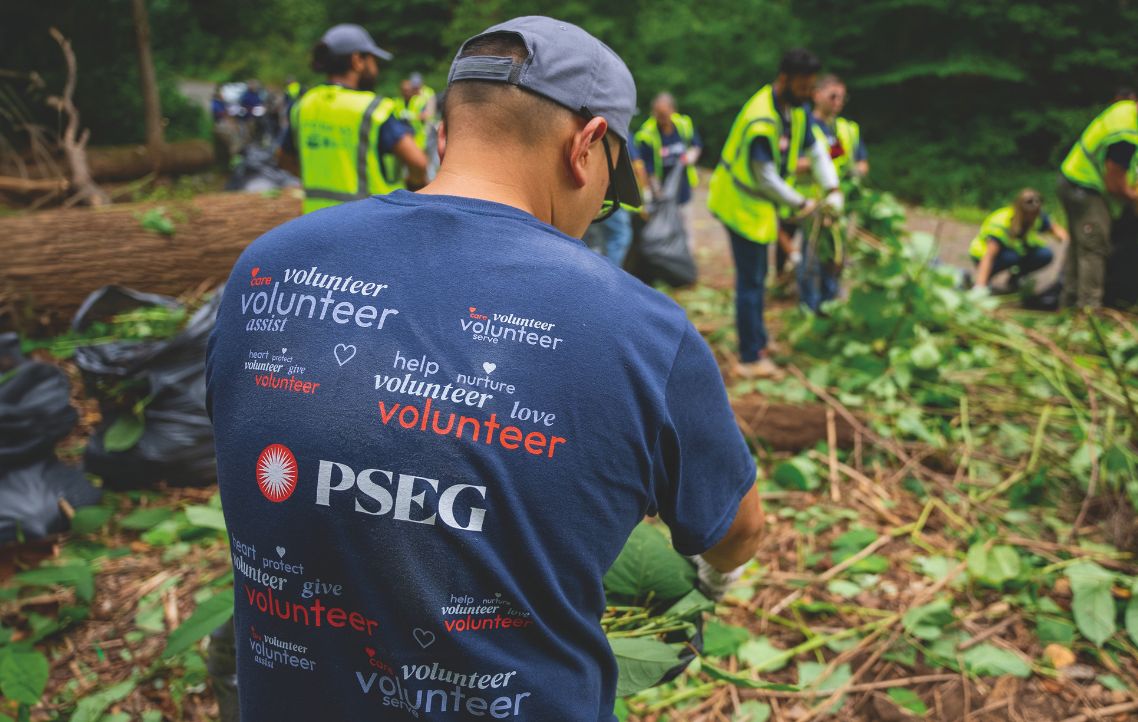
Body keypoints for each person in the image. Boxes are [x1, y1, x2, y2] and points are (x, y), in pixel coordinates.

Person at [206, 16, 762, 722]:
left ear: (443, 135)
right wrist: (709, 583)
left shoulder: (263, 270)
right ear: (587, 146)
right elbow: (735, 530)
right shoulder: (643, 331)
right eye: (609, 189)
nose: (598, 212)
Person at [707, 48, 842, 378]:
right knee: (751, 281)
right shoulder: (761, 119)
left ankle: (758, 340)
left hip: (758, 205)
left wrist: (833, 189)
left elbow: (817, 150)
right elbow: (765, 176)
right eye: (803, 86)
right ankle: (751, 357)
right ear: (784, 80)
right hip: (739, 202)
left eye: (812, 86)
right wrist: (802, 203)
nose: (809, 93)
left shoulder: (794, 109)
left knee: (757, 278)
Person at [279, 24, 427, 213]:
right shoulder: (372, 108)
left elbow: (283, 159)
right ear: (357, 60)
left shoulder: (304, 105)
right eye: (372, 60)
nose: (376, 68)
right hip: (368, 222)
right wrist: (414, 185)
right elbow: (417, 162)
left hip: (315, 223)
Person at [794, 74, 869, 312]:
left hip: (839, 203)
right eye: (832, 96)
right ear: (816, 95)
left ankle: (830, 306)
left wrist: (851, 176)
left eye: (842, 97)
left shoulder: (847, 129)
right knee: (811, 256)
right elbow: (790, 163)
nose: (838, 101)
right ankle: (808, 306)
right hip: (812, 202)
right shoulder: (802, 125)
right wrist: (819, 162)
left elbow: (861, 162)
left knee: (836, 257)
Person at [1058, 95, 1138, 307]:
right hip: (1082, 187)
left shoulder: (1127, 110)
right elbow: (1114, 182)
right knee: (1094, 247)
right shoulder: (1126, 134)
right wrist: (1133, 197)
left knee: (1080, 247)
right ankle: (1089, 313)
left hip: (1076, 181)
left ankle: (1068, 307)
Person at [635, 92, 702, 244]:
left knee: (686, 226)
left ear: (673, 110)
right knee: (664, 229)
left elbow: (696, 145)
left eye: (664, 114)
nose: (661, 118)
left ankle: (686, 257)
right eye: (657, 114)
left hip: (683, 188)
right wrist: (656, 192)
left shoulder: (684, 125)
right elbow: (647, 167)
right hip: (661, 192)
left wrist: (692, 155)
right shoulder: (647, 133)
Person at [970, 188, 1067, 290]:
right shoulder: (1001, 223)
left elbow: (1055, 229)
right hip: (984, 256)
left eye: (1035, 213)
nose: (1032, 217)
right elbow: (988, 256)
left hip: (1015, 252)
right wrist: (980, 286)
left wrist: (1068, 241)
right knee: (1012, 257)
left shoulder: (1037, 216)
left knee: (1044, 254)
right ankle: (984, 280)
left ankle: (1015, 279)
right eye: (1029, 214)